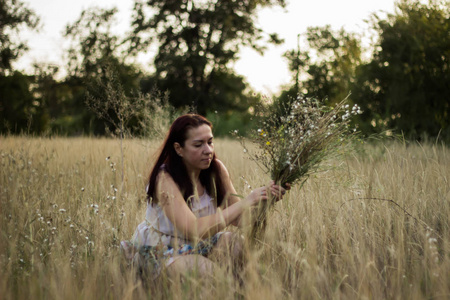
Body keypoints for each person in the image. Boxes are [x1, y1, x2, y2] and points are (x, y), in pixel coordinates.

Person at [121, 114, 288, 280]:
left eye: (210, 142)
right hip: (162, 249)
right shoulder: (164, 179)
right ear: (179, 149)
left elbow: (241, 221)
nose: (208, 150)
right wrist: (247, 201)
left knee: (238, 244)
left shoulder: (216, 169)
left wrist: (266, 200)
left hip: (199, 245)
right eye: (198, 144)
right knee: (211, 274)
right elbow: (194, 230)